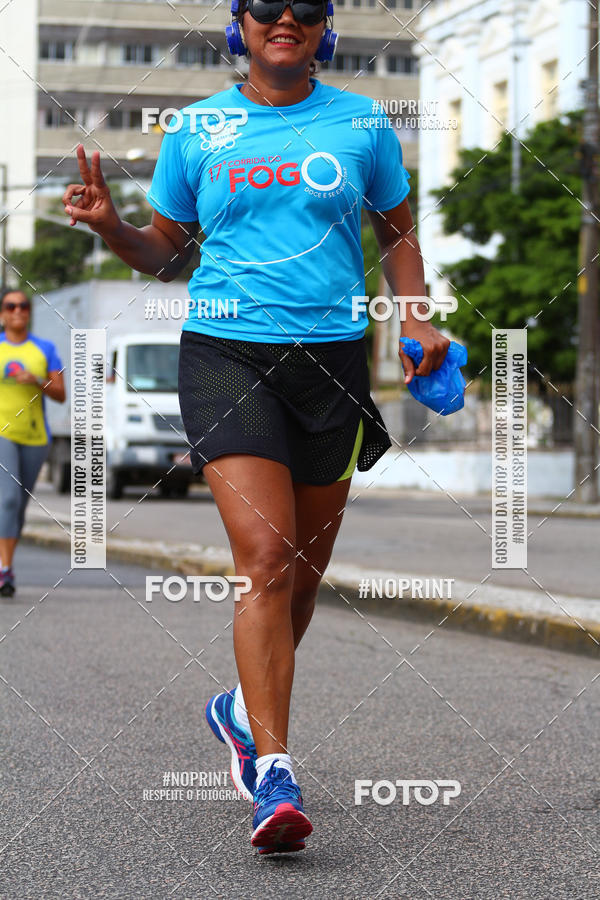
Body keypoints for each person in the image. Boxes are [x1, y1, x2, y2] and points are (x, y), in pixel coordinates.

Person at [61, 0, 450, 854]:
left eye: (305, 7)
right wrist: (111, 226)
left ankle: (238, 711)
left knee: (304, 577)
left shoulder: (362, 124)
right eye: (267, 5)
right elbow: (168, 249)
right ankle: (274, 771)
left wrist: (416, 319)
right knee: (266, 562)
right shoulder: (197, 129)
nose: (286, 17)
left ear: (324, 27)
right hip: (225, 354)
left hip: (333, 363)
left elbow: (397, 237)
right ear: (240, 22)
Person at [0, 288, 65, 596]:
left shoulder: (45, 349)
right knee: (8, 499)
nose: (18, 311)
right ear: (2, 314)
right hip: (3, 433)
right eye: (11, 306)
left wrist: (38, 381)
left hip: (36, 436)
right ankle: (5, 571)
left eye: (23, 306)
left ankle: (4, 563)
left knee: (18, 507)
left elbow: (61, 393)